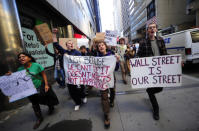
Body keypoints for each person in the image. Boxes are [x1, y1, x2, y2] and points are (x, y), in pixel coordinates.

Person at [14, 52, 59, 129]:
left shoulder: (36, 65)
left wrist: (46, 84)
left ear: (29, 58)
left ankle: (50, 106)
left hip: (39, 86)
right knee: (34, 103)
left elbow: (43, 75)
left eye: (23, 56)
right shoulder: (19, 69)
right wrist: (10, 75)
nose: (21, 58)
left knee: (45, 98)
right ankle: (39, 118)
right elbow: (17, 79)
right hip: (29, 90)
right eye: (19, 57)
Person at [137, 22, 167, 120]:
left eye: (153, 27)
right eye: (150, 28)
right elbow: (138, 56)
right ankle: (156, 109)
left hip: (159, 69)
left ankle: (149, 91)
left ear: (156, 30)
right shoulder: (143, 42)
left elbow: (165, 54)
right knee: (151, 90)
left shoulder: (161, 40)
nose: (152, 29)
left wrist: (177, 62)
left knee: (160, 88)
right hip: (148, 71)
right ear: (147, 31)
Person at [52, 28, 87, 111]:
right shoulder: (64, 52)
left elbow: (82, 62)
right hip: (69, 76)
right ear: (66, 46)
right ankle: (77, 102)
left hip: (78, 74)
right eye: (69, 43)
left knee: (81, 87)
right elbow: (55, 44)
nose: (71, 44)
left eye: (72, 43)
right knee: (72, 90)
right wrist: (54, 34)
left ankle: (83, 96)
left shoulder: (78, 52)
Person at [96, 40, 119, 128]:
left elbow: (116, 69)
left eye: (102, 45)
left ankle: (112, 101)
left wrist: (116, 61)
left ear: (105, 46)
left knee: (112, 91)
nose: (101, 47)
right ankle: (106, 116)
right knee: (104, 97)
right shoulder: (96, 58)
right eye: (99, 46)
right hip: (102, 80)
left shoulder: (111, 56)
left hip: (111, 78)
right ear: (98, 48)